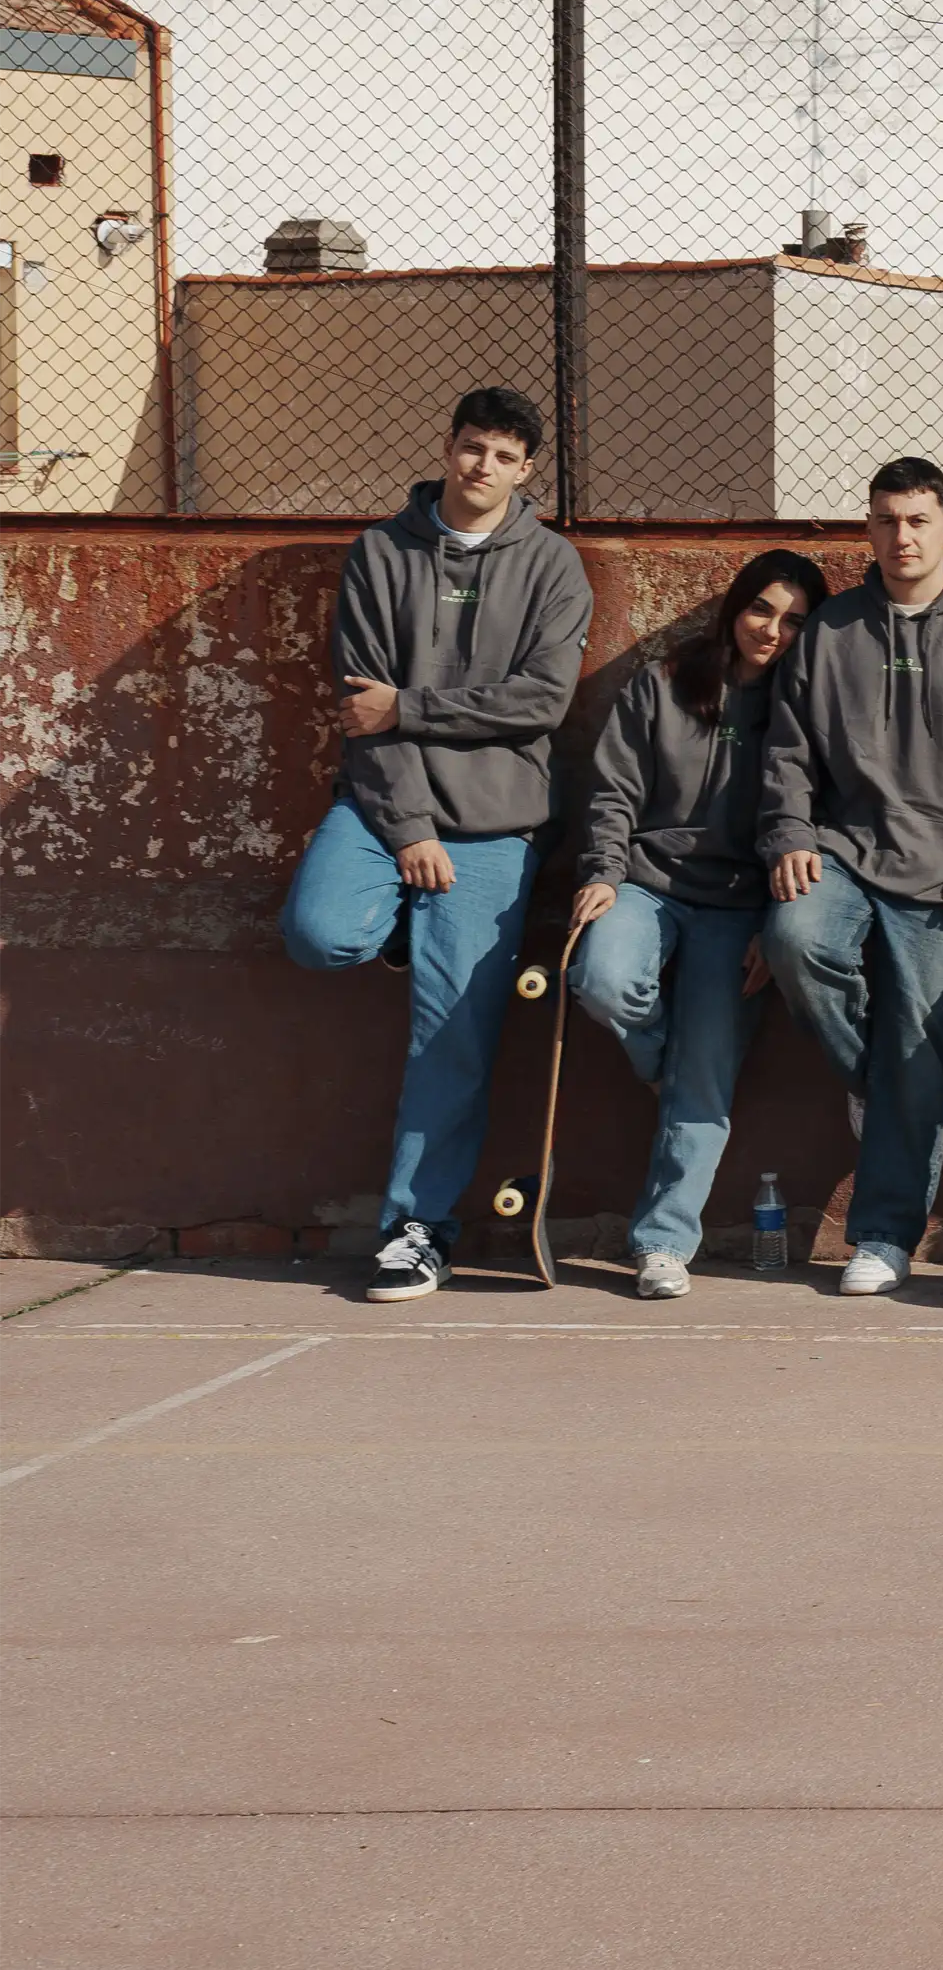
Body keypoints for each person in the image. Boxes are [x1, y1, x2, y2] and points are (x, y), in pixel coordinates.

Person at [285, 387, 596, 1300]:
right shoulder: (381, 554)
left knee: (451, 1036)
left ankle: (416, 1227)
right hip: (387, 812)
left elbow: (542, 701)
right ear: (447, 448)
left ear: (527, 468)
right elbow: (359, 708)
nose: (482, 469)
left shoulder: (552, 566)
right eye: (471, 449)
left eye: (503, 456)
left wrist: (413, 705)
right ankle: (400, 929)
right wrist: (413, 830)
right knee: (318, 931)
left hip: (496, 827)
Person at [757, 457, 943, 1297]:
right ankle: (879, 1085)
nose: (902, 536)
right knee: (793, 937)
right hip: (844, 851)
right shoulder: (834, 628)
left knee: (922, 1054)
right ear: (869, 529)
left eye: (919, 520)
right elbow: (786, 750)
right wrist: (788, 834)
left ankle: (884, 1237)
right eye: (887, 520)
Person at [563, 547, 825, 1298]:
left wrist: (781, 927)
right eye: (762, 610)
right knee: (604, 979)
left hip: (741, 906)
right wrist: (604, 875)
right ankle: (663, 1065)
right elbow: (613, 789)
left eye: (795, 623)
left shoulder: (809, 708)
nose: (773, 631)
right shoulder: (666, 681)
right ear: (734, 607)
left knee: (707, 1080)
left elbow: (815, 829)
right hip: (648, 883)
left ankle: (663, 1245)